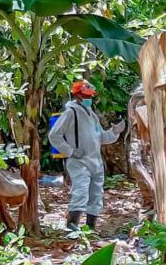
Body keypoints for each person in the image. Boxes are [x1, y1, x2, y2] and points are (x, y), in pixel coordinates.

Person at [48, 80, 123, 231]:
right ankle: (72, 226)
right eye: (85, 96)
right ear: (78, 96)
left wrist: (115, 132)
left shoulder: (92, 115)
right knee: (80, 192)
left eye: (90, 96)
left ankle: (90, 228)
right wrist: (70, 151)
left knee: (96, 195)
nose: (89, 98)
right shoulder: (71, 112)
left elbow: (101, 137)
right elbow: (54, 135)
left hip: (95, 160)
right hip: (78, 161)